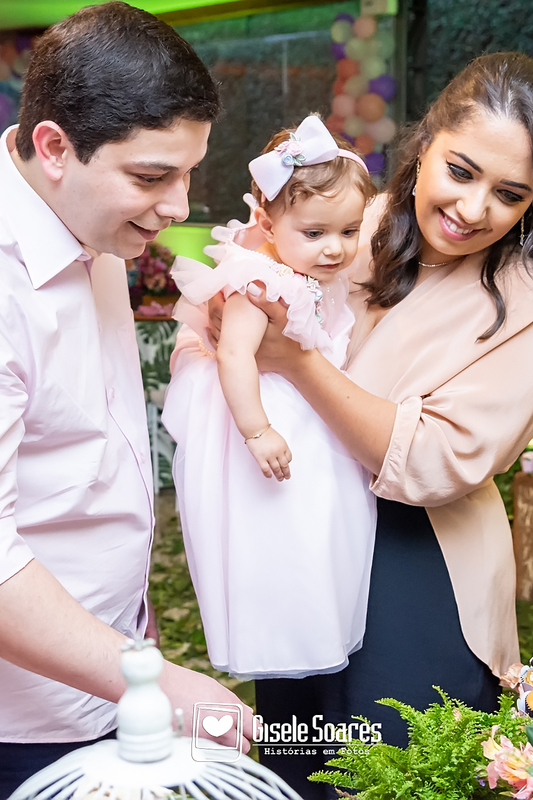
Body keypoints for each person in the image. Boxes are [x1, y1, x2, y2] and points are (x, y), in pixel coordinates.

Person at [0, 4, 251, 795]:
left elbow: (84, 458)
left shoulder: (86, 223)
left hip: (96, 675)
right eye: (152, 177)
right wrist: (159, 680)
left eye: (187, 173)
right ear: (56, 147)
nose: (178, 205)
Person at [231, 52, 533, 797]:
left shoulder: (530, 307)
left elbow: (434, 460)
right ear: (426, 142)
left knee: (388, 771)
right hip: (303, 542)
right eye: (461, 172)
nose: (474, 209)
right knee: (295, 761)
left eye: (509, 194)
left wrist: (297, 363)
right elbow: (246, 297)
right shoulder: (355, 223)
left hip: (416, 566)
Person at [162, 116, 378, 685]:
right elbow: (234, 356)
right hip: (270, 413)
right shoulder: (260, 283)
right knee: (282, 529)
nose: (335, 248)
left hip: (312, 414)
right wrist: (257, 431)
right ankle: (283, 632)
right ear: (267, 223)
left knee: (327, 525)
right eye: (315, 233)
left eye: (349, 231)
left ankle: (320, 620)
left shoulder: (309, 270)